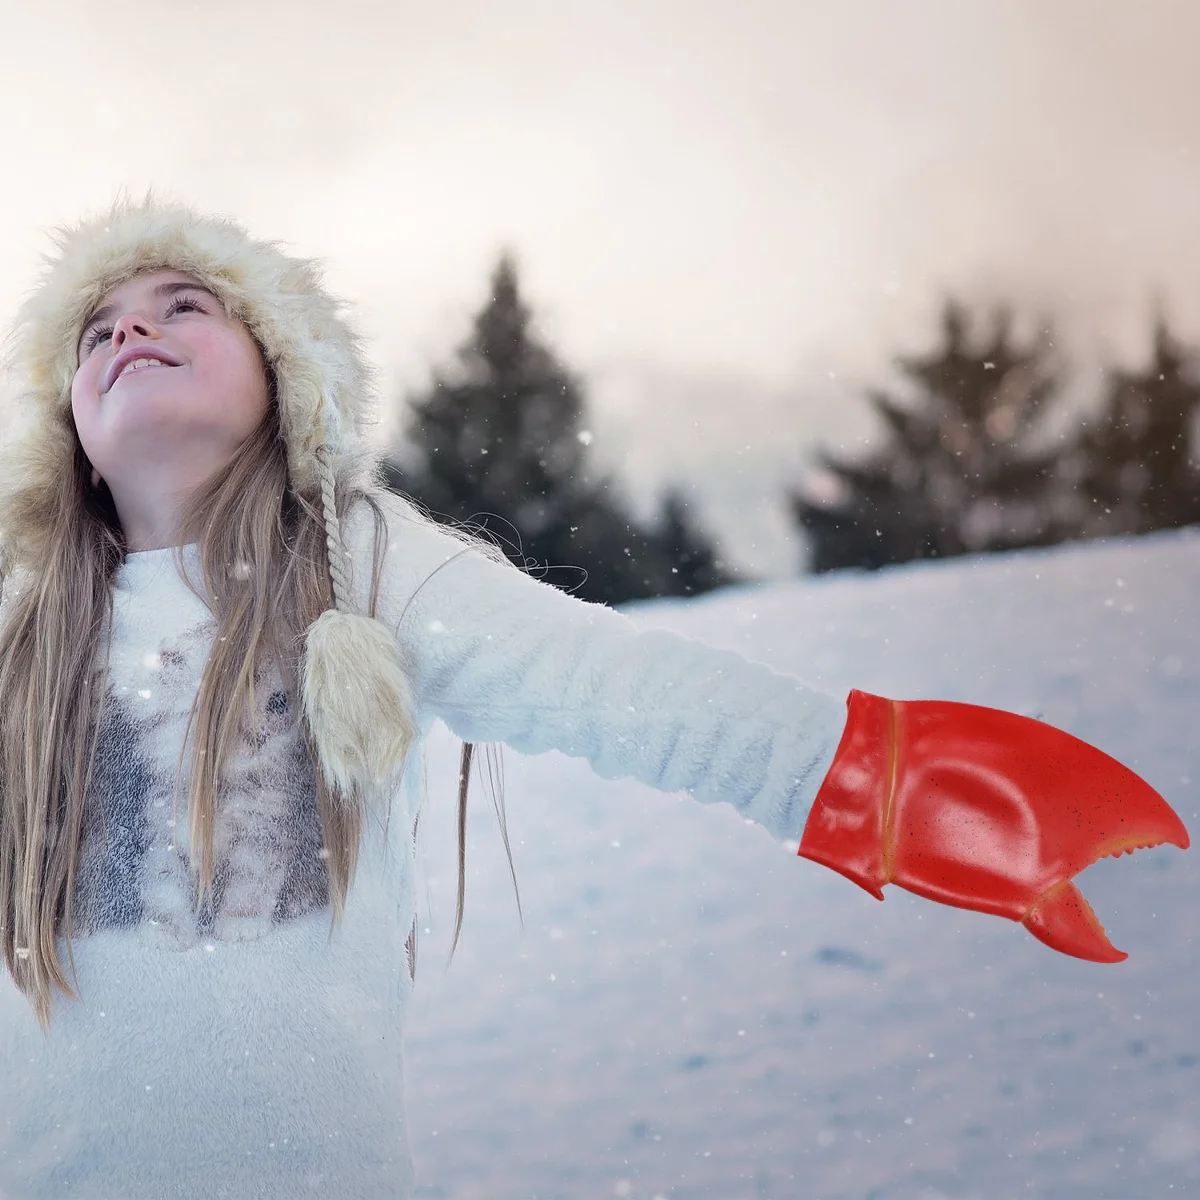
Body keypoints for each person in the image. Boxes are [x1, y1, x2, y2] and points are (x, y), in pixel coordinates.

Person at [0, 197, 1187, 1200]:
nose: (133, 330)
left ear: (284, 377)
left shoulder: (356, 560)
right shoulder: (24, 634)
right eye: (97, 329)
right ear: (72, 437)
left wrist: (867, 777)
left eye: (183, 306)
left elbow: (608, 683)